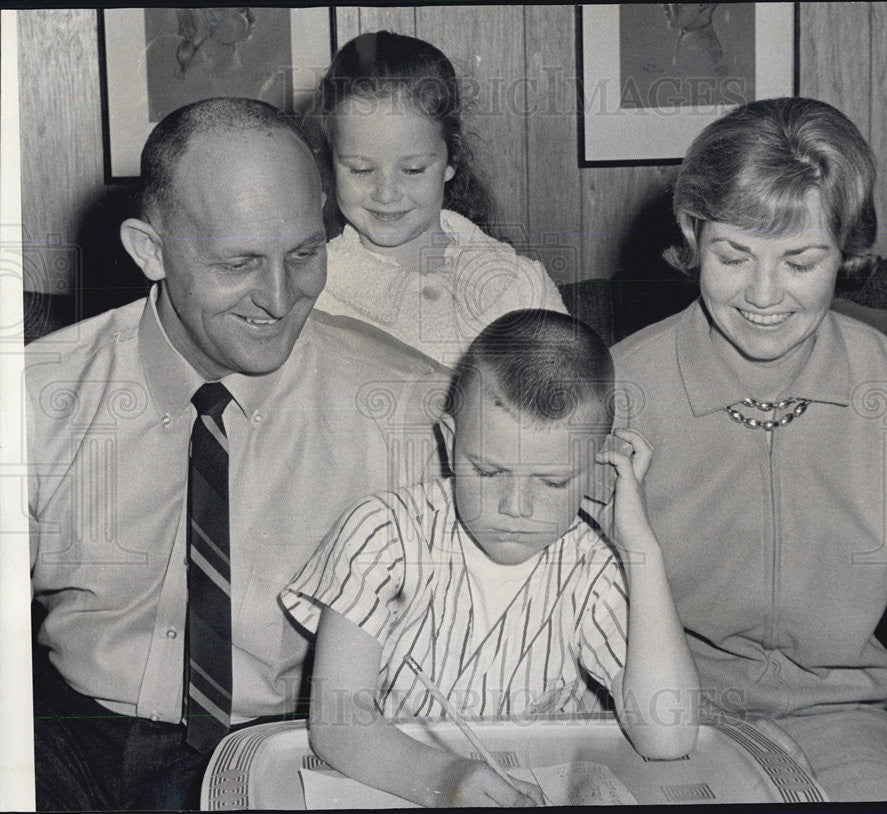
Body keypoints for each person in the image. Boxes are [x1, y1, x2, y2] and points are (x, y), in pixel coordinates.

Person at [26, 97, 445, 810]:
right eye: (240, 262)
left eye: (304, 254)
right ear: (148, 250)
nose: (281, 299)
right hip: (73, 744)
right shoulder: (35, 400)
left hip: (298, 743)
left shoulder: (409, 405)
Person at [612, 97, 887, 802]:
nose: (763, 294)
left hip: (844, 725)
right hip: (658, 717)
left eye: (801, 261)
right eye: (733, 255)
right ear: (693, 235)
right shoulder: (621, 389)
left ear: (848, 253)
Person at [280, 309, 700, 807]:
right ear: (451, 442)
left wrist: (640, 549)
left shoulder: (593, 568)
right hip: (402, 785)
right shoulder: (384, 535)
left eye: (551, 482)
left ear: (596, 469)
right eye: (488, 472)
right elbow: (337, 723)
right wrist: (447, 781)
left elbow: (668, 738)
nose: (514, 508)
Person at [301, 31, 567, 368]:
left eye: (412, 170)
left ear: (450, 160)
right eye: (360, 169)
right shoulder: (312, 292)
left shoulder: (518, 285)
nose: (386, 193)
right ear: (330, 162)